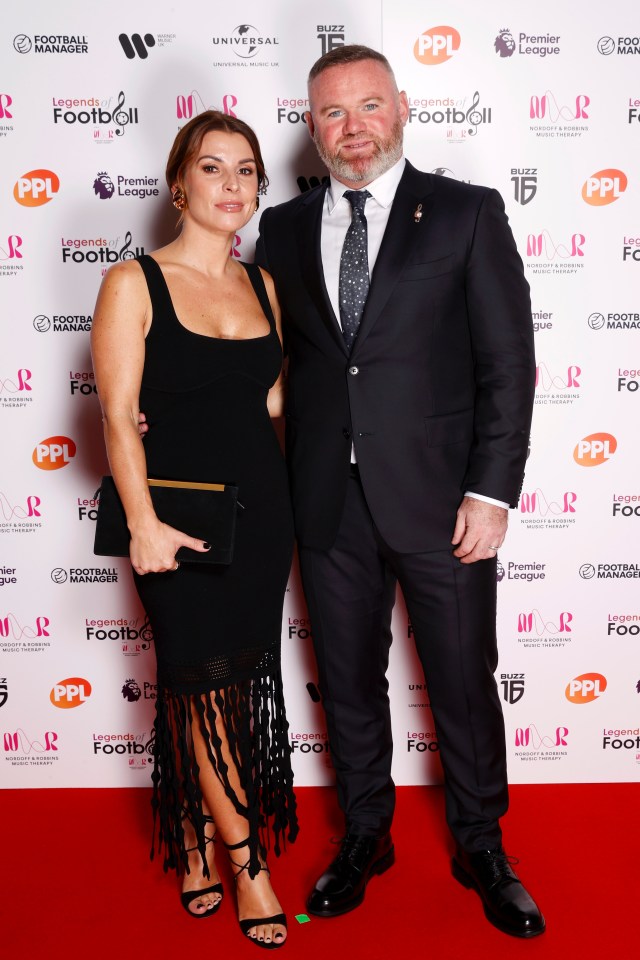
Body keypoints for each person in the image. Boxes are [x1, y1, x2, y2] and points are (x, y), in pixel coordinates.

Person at [254, 45, 543, 938]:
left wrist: (490, 494)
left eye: (369, 107)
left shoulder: (464, 214)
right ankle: (366, 835)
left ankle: (480, 842)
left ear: (402, 107)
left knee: (460, 678)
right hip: (327, 505)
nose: (353, 128)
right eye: (334, 114)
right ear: (312, 125)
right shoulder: (284, 230)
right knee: (346, 682)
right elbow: (272, 369)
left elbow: (509, 365)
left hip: (441, 503)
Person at [92, 110, 298, 949]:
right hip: (175, 524)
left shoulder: (264, 285)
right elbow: (113, 413)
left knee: (220, 683)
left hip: (263, 516)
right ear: (181, 183)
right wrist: (141, 521)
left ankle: (189, 834)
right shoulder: (133, 281)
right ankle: (247, 860)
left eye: (246, 170)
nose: (231, 184)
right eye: (212, 168)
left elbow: (272, 406)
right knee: (200, 678)